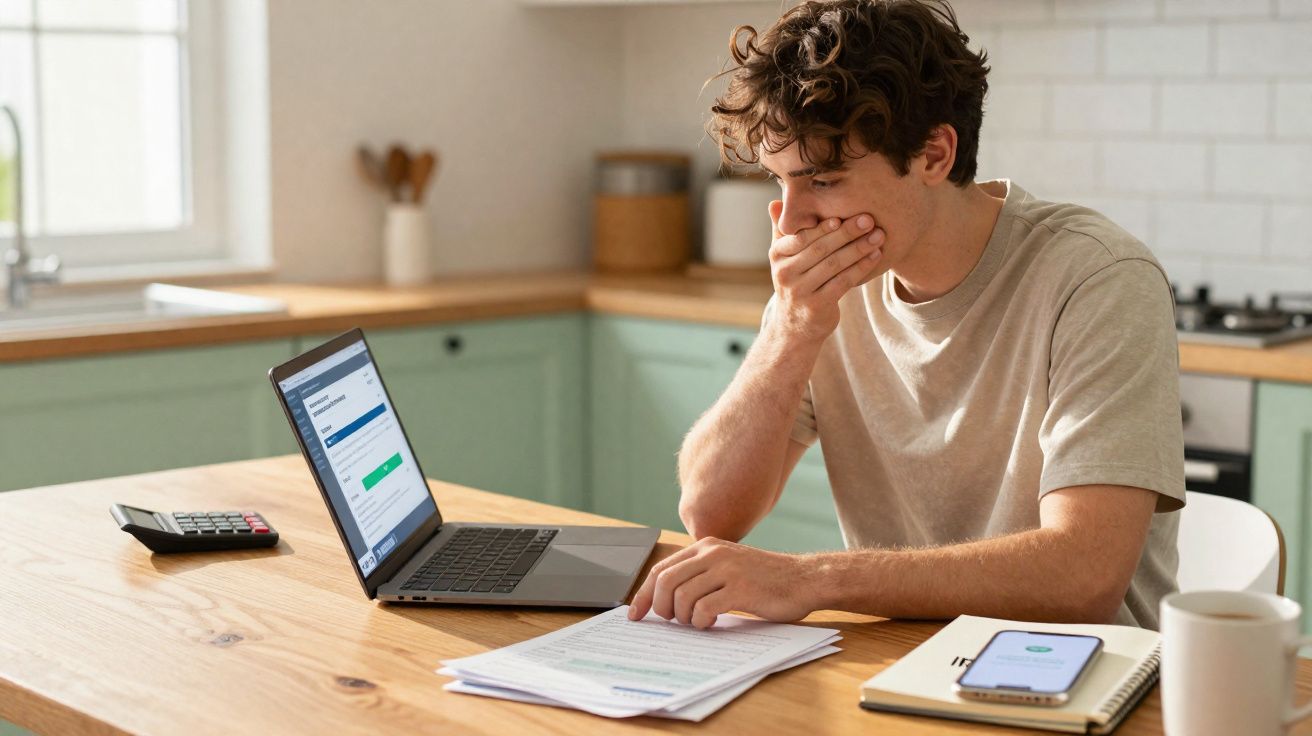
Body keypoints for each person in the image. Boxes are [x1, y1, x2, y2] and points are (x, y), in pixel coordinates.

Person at [627, 0, 1185, 630]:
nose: (792, 220)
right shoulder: (831, 286)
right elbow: (708, 514)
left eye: (824, 180)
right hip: (899, 662)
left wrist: (813, 578)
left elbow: (1084, 577)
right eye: (780, 182)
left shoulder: (1098, 279)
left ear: (933, 155)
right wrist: (789, 331)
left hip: (1083, 678)